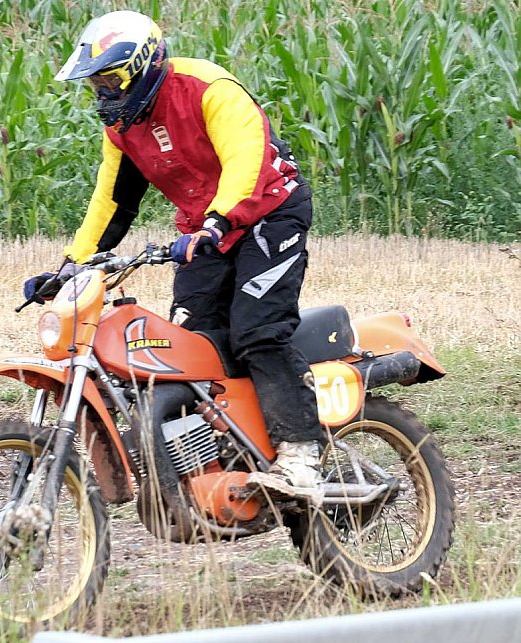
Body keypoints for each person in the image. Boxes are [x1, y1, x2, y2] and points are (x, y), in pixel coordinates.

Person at [31, 10, 325, 501]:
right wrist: (69, 267)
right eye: (96, 85)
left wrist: (218, 221)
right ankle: (224, 456)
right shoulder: (123, 129)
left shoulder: (207, 87)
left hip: (268, 212)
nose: (103, 94)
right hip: (204, 231)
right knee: (189, 349)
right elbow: (111, 203)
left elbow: (246, 160)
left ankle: (300, 452)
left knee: (257, 328)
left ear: (144, 65)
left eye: (110, 80)